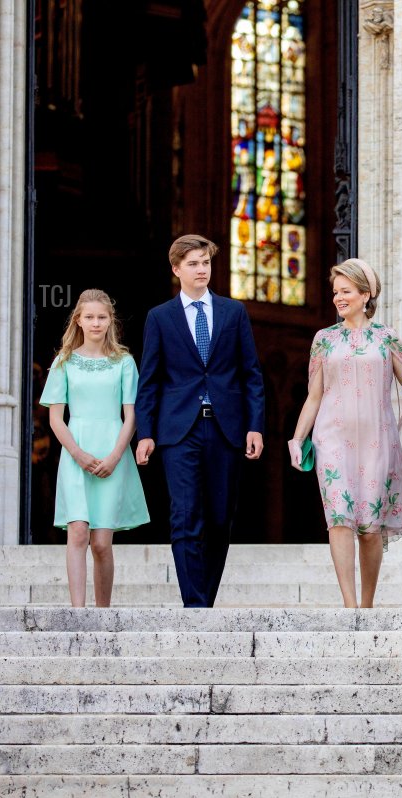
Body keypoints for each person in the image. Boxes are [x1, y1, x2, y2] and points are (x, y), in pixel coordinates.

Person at [135, 234, 266, 608]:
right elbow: (150, 380)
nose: (201, 269)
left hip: (226, 429)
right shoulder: (159, 317)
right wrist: (146, 433)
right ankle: (194, 604)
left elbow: (250, 374)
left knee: (220, 517)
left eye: (205, 262)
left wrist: (255, 425)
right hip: (178, 431)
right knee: (185, 515)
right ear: (176, 269)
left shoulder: (233, 312)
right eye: (193, 263)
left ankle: (205, 599)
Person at [288, 258, 402, 608]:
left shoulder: (386, 338)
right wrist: (297, 437)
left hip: (378, 441)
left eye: (346, 291)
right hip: (332, 439)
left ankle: (367, 604)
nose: (338, 298)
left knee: (370, 526)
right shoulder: (324, 339)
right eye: (335, 292)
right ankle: (349, 606)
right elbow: (314, 395)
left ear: (366, 295)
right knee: (339, 519)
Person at [40, 289, 150, 607]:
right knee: (77, 532)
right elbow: (56, 419)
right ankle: (78, 612)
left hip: (113, 452)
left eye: (102, 317)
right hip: (76, 452)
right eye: (89, 317)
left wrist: (116, 455)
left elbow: (131, 416)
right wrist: (77, 454)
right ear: (78, 320)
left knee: (101, 543)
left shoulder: (124, 363)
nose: (96, 323)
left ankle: (103, 612)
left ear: (110, 321)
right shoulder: (64, 362)